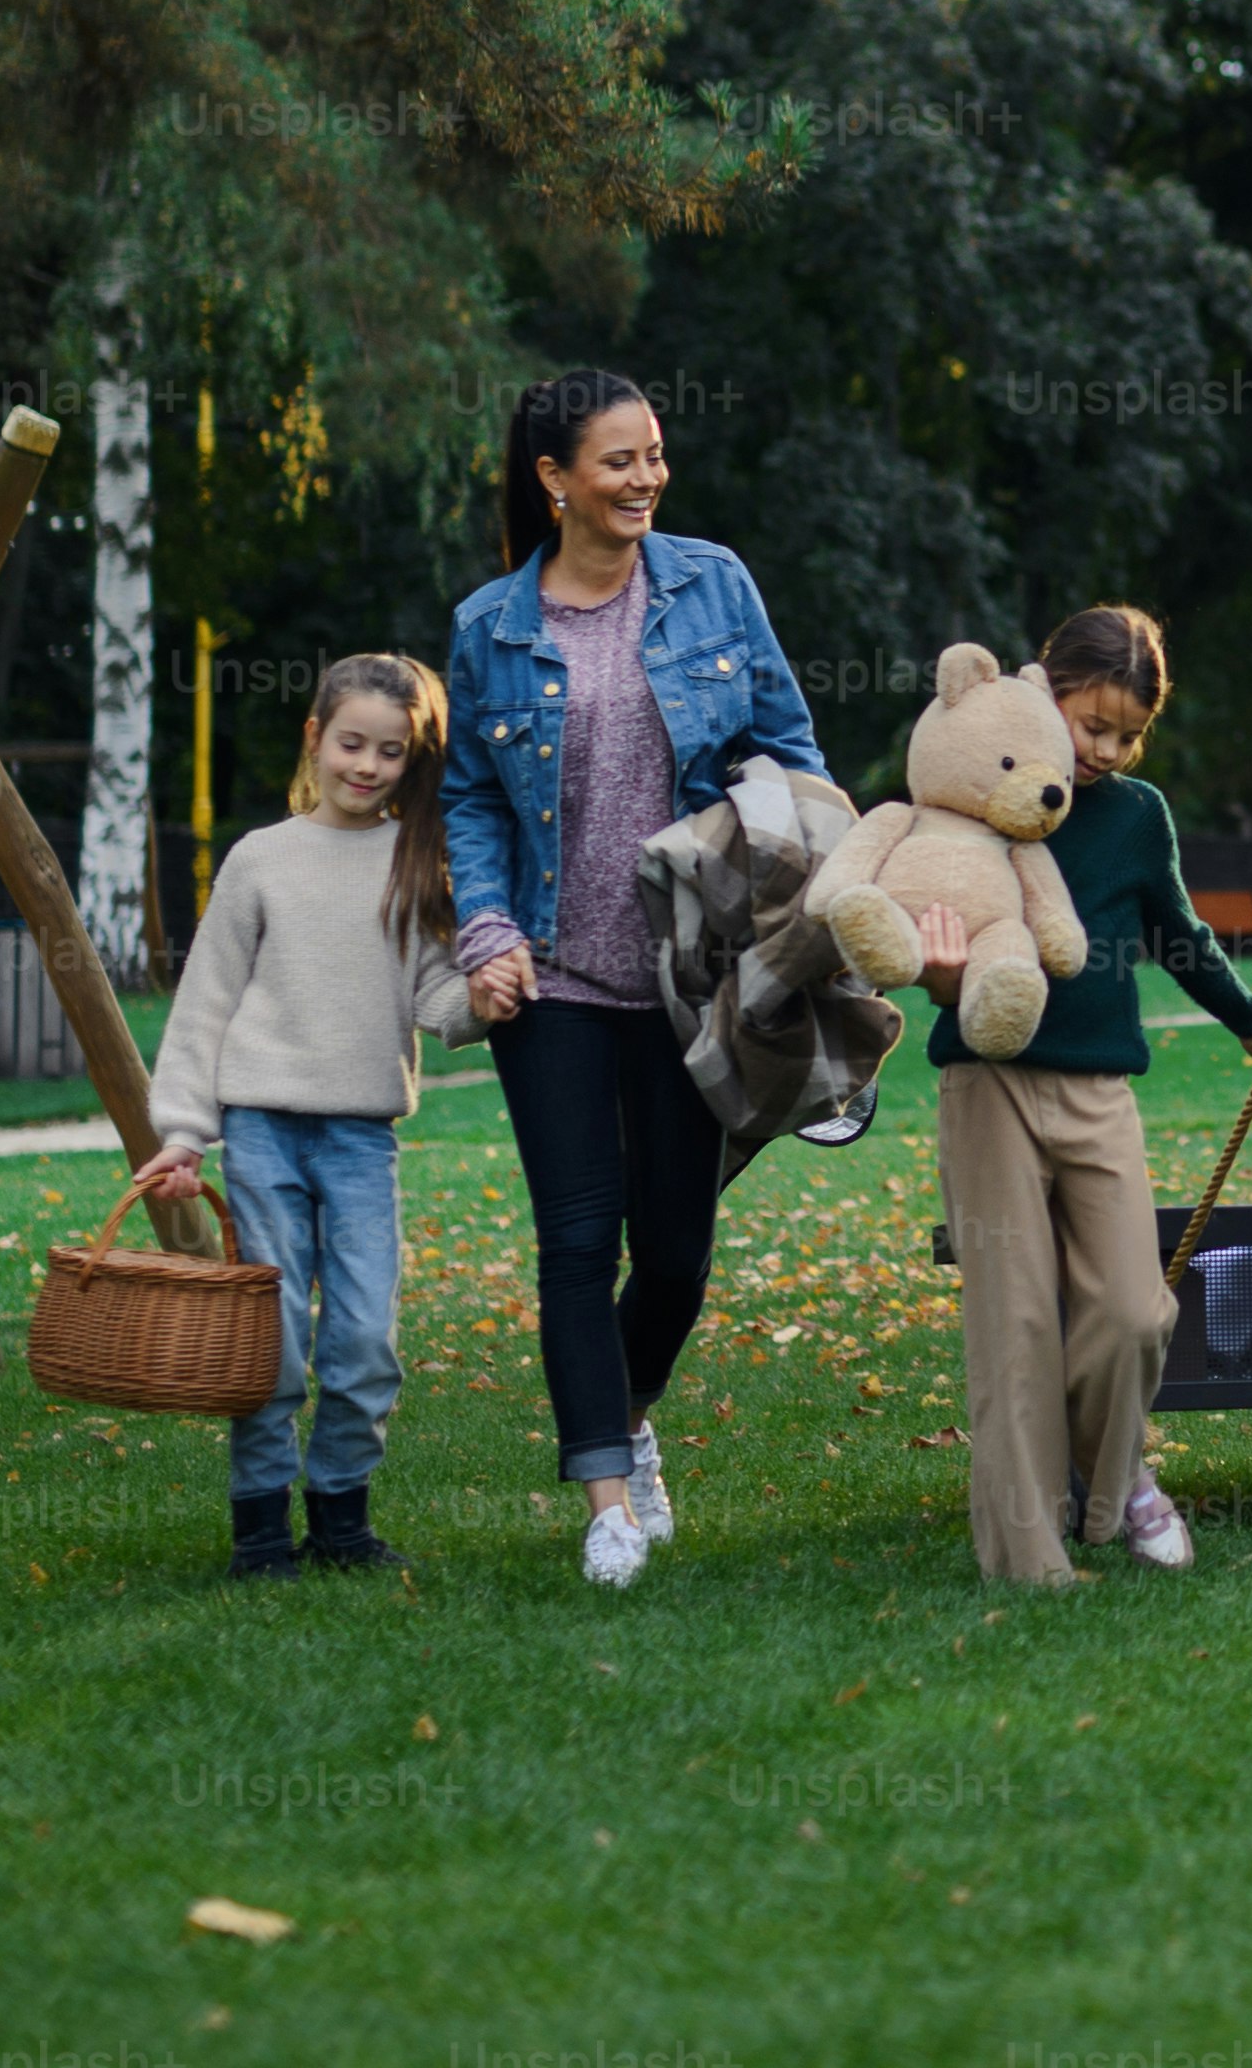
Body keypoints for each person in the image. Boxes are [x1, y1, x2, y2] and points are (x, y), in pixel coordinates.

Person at [439, 368, 828, 1592]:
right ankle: (607, 1501)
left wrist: (791, 871)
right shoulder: (490, 627)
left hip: (686, 976)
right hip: (550, 984)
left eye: (655, 453)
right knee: (575, 1238)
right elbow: (468, 801)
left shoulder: (716, 584)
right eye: (619, 460)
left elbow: (792, 750)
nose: (646, 476)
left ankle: (628, 1404)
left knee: (673, 1252)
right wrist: (488, 927)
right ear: (555, 480)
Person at [912, 605, 1252, 1587]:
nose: (1106, 748)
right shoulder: (976, 795)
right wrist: (934, 971)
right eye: (1094, 725)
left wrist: (1249, 1020)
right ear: (1045, 691)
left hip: (1097, 1091)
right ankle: (1029, 1556)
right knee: (1016, 1327)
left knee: (1136, 1311)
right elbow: (911, 910)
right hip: (989, 1084)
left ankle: (1114, 1480)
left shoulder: (1137, 815)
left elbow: (1179, 934)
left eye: (1127, 733)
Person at [136, 657, 477, 1579]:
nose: (366, 765)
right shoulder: (261, 859)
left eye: (390, 752)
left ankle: (339, 1518)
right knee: (272, 1339)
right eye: (351, 743)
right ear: (315, 740)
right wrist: (180, 1133)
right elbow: (205, 1002)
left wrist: (492, 993)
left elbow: (440, 999)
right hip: (262, 1132)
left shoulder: (418, 862)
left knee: (365, 1337)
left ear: (415, 760)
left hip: (362, 1137)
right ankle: (258, 1530)